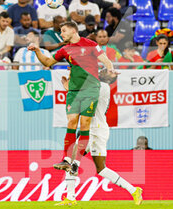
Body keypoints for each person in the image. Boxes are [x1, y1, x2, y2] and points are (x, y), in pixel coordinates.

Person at [28, 21, 116, 175]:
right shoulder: (65, 50)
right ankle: (67, 160)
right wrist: (37, 51)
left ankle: (75, 162)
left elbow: (105, 60)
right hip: (74, 91)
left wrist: (110, 68)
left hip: (90, 89)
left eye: (63, 31)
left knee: (84, 125)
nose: (61, 34)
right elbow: (48, 62)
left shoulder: (90, 44)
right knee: (71, 122)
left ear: (73, 30)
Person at [55, 68, 142, 206]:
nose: (102, 70)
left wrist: (71, 85)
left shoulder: (103, 87)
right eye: (103, 69)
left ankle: (71, 195)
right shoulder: (96, 85)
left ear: (109, 79)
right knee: (88, 166)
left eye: (108, 71)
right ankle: (133, 190)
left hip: (96, 130)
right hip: (93, 130)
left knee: (79, 163)